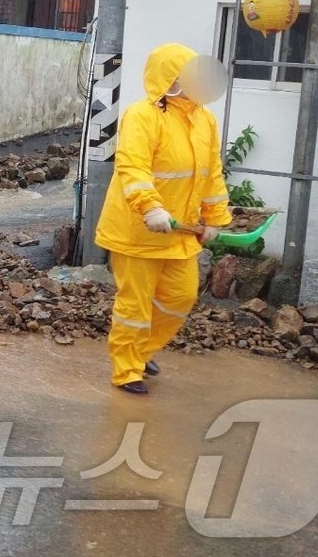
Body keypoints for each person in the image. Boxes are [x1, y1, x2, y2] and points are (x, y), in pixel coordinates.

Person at [96, 43, 231, 396]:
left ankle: (141, 352)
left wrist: (215, 217)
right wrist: (150, 207)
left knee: (180, 298)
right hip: (137, 231)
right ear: (171, 80)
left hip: (180, 232)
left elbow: (211, 173)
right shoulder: (142, 116)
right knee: (134, 307)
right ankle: (127, 370)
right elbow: (132, 167)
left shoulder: (205, 120)